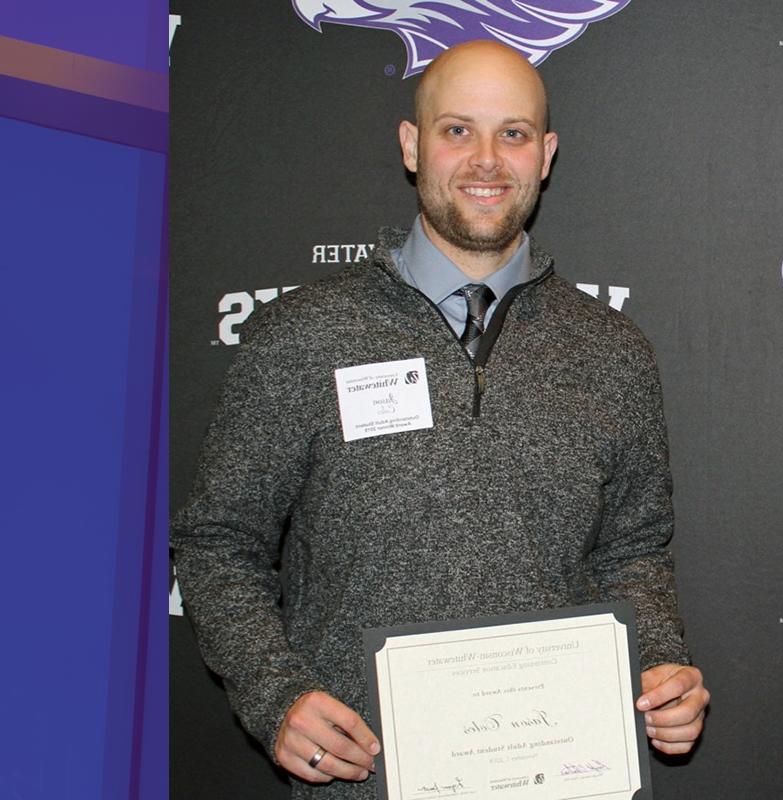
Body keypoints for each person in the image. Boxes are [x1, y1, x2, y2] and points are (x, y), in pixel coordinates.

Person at [172, 40, 707, 797]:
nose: (486, 159)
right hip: (365, 777)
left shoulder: (611, 349)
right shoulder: (302, 335)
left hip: (560, 771)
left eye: (513, 134)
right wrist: (276, 695)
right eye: (457, 130)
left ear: (545, 154)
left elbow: (633, 550)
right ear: (411, 146)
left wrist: (657, 661)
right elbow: (218, 542)